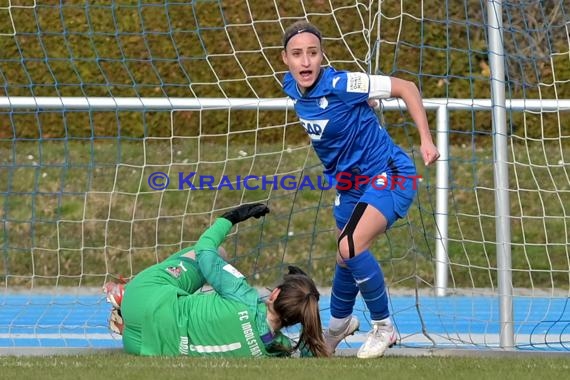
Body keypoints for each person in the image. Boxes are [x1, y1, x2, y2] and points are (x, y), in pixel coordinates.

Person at [281, 21, 440, 359]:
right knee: (344, 257)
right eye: (297, 54)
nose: (305, 61)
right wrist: (365, 104)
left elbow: (407, 87)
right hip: (350, 186)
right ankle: (338, 328)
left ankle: (384, 327)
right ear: (285, 60)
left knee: (350, 246)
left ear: (323, 56)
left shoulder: (341, 82)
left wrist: (426, 141)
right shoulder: (291, 87)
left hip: (390, 173)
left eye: (312, 53)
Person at [103, 203, 330, 358]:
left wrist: (230, 218)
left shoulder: (245, 296)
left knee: (217, 253)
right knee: (207, 304)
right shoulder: (276, 349)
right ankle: (124, 322)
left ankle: (127, 292)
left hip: (142, 298)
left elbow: (205, 251)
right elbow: (308, 351)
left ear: (275, 295)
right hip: (142, 346)